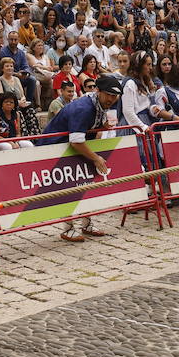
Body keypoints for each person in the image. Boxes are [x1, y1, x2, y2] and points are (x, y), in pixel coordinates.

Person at [42, 72, 124, 242]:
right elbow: (76, 141)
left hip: (71, 149)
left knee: (84, 185)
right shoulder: (84, 108)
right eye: (108, 94)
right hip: (56, 148)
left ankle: (86, 223)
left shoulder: (98, 105)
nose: (111, 99)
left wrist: (102, 126)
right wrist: (96, 158)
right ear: (99, 91)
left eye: (115, 96)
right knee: (67, 189)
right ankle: (67, 227)